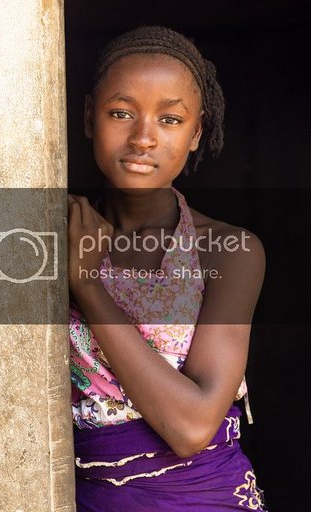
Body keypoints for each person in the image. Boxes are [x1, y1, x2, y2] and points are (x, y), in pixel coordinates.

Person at [68, 26, 267, 510]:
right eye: (121, 113)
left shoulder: (227, 251)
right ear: (89, 116)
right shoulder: (55, 235)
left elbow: (192, 428)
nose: (142, 138)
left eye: (170, 119)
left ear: (197, 133)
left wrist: (88, 286)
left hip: (203, 497)